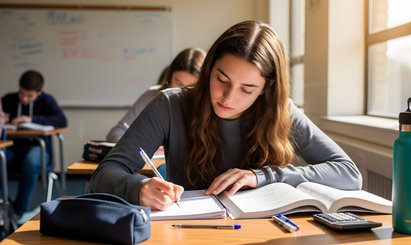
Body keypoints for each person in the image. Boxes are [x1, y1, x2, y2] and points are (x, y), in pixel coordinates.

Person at [90, 20, 362, 211]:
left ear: (267, 87)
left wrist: (262, 176)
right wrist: (137, 187)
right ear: (209, 68)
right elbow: (104, 174)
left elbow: (349, 173)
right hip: (191, 232)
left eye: (247, 89)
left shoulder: (281, 111)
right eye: (221, 79)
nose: (228, 98)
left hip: (267, 231)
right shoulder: (170, 104)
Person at [1, 70, 67, 219]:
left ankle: (18, 211)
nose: (24, 99)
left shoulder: (47, 101)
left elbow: (61, 121)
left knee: (31, 161)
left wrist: (32, 119)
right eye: (21, 93)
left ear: (39, 92)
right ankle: (4, 204)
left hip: (38, 150)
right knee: (0, 158)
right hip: (12, 148)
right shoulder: (8, 100)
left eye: (29, 95)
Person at [106, 48, 206, 143]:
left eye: (191, 86)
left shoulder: (209, 106)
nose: (182, 91)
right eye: (178, 82)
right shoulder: (153, 96)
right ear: (170, 77)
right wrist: (136, 145)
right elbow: (116, 133)